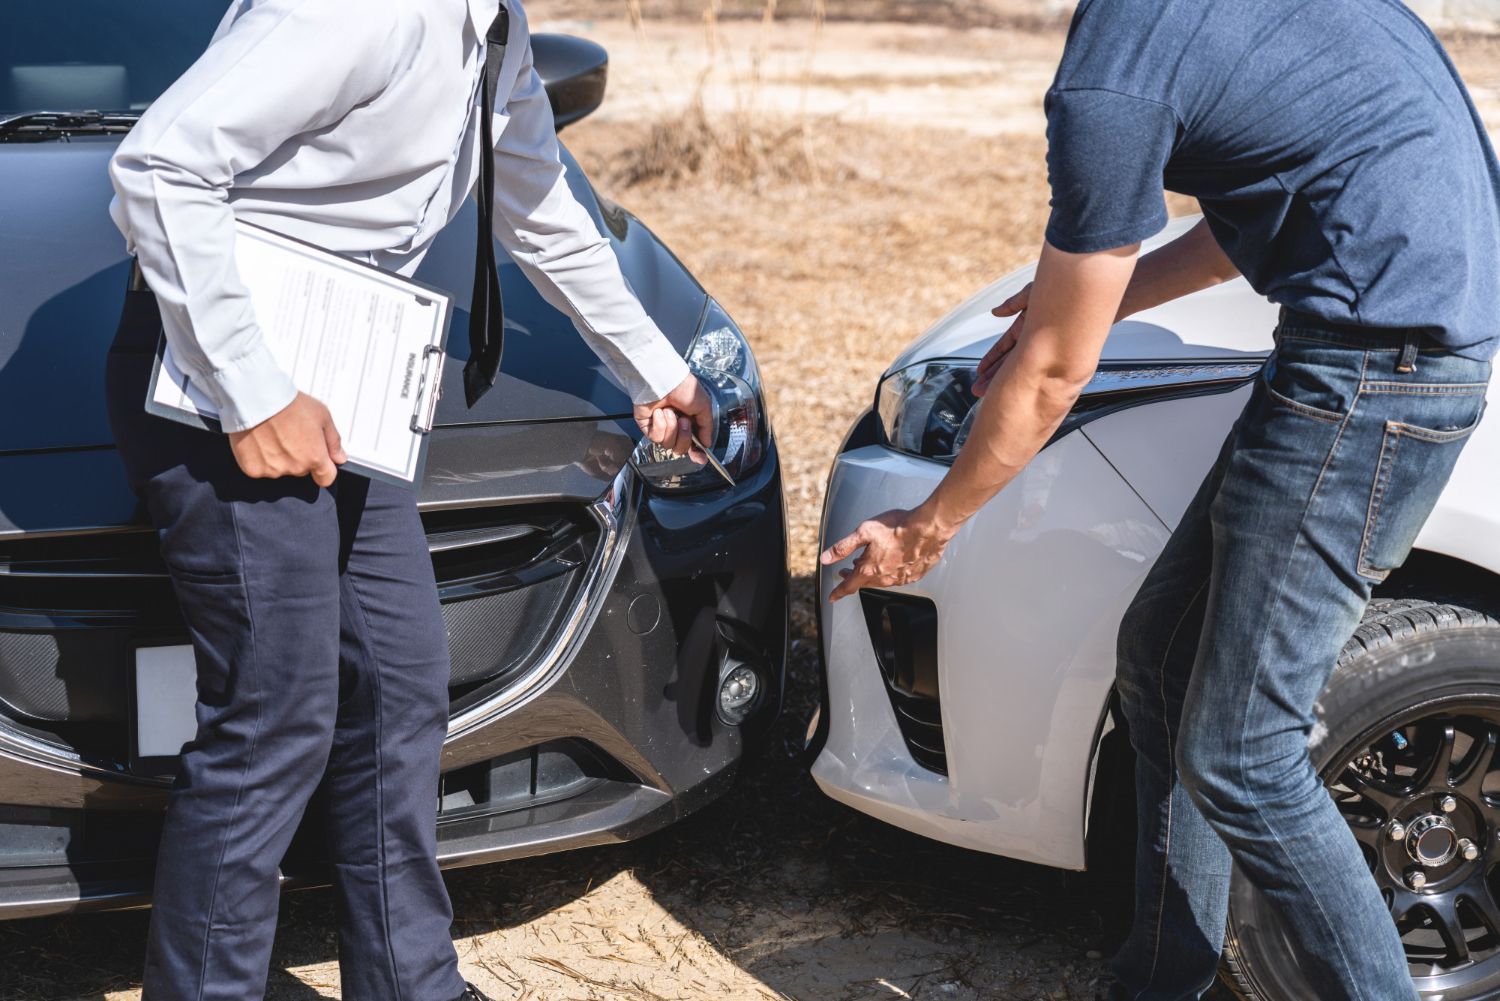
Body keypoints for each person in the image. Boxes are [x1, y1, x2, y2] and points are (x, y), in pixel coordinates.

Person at [820, 0, 1498, 998]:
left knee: (1243, 755)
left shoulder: (1112, 76)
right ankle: (1160, 975)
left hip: (1371, 377)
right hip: (1382, 355)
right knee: (1164, 657)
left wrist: (930, 526)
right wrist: (1089, 305)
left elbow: (1053, 375)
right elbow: (1234, 234)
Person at [104, 0, 712, 997]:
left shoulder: (495, 27)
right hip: (226, 382)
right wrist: (252, 393)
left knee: (398, 687)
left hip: (346, 380)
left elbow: (539, 205)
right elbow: (159, 166)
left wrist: (653, 368)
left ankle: (409, 981)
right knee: (277, 711)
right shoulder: (364, 8)